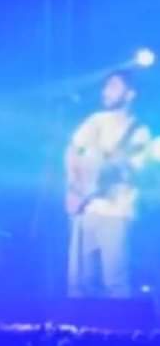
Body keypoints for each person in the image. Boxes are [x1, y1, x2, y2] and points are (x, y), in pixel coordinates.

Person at [64, 70, 154, 298]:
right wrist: (74, 186)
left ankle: (122, 322)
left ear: (130, 94)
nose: (106, 91)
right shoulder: (95, 120)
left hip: (117, 211)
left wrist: (108, 168)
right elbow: (72, 150)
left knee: (115, 282)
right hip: (86, 208)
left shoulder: (140, 132)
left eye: (113, 86)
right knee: (80, 283)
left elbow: (132, 167)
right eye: (106, 86)